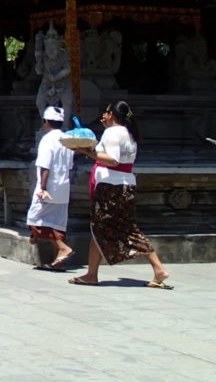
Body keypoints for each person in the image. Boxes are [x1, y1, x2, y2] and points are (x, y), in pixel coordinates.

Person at [67, 101, 171, 288]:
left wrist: (87, 152)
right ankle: (94, 273)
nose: (103, 116)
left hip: (111, 187)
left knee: (101, 227)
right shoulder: (128, 133)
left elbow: (113, 160)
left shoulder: (113, 132)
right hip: (125, 185)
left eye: (106, 112)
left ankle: (93, 274)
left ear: (113, 114)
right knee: (112, 229)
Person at [26, 106, 75, 270]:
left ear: (45, 122)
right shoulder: (67, 138)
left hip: (49, 187)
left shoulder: (47, 139)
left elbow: (44, 166)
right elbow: (69, 166)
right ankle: (58, 261)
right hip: (63, 186)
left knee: (35, 219)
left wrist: (43, 187)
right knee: (57, 223)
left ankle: (62, 247)